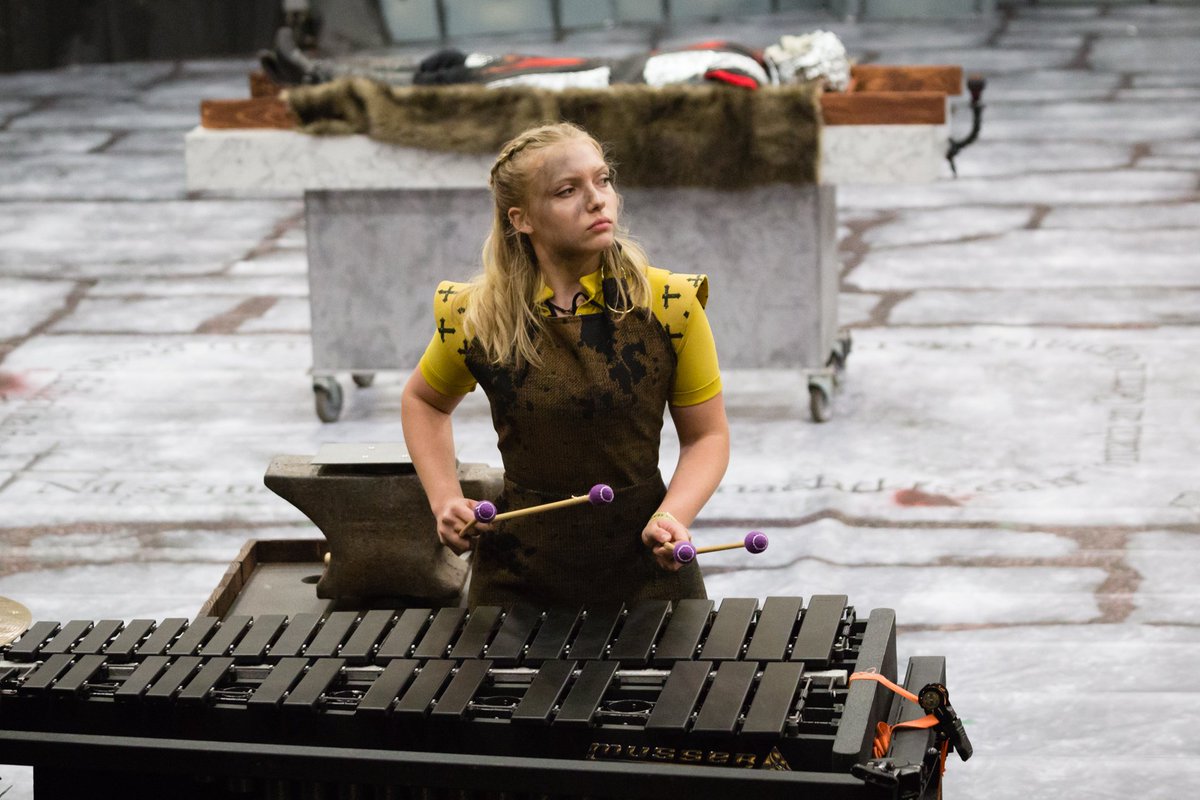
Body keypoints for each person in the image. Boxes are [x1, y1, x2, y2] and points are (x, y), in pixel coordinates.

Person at [401, 122, 729, 608]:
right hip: (517, 575)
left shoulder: (669, 303)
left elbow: (708, 436)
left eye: (603, 180)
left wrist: (673, 515)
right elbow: (424, 401)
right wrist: (444, 499)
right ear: (522, 219)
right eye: (567, 190)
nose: (598, 200)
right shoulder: (477, 315)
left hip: (644, 568)